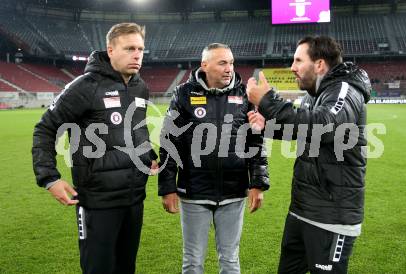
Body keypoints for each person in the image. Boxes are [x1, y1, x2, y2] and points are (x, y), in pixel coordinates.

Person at [32, 22, 158, 274]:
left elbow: (136, 129)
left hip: (134, 197)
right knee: (98, 268)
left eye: (141, 49)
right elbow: (45, 129)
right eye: (130, 48)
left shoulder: (139, 87)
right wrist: (50, 178)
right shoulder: (84, 86)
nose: (137, 55)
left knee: (126, 267)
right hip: (97, 200)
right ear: (110, 50)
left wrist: (148, 155)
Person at [247, 36, 371, 274]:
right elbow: (304, 130)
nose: (292, 67)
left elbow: (323, 125)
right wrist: (267, 125)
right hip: (302, 209)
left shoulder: (344, 89)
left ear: (320, 64)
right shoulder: (314, 93)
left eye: (298, 60)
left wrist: (267, 100)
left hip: (332, 216)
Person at [158, 43, 270, 274]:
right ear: (205, 65)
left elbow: (255, 141)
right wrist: (167, 187)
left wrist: (258, 183)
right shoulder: (184, 94)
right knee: (193, 261)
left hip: (233, 191)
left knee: (229, 260)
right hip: (194, 192)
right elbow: (170, 142)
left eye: (231, 62)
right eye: (222, 63)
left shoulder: (243, 95)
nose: (229, 68)